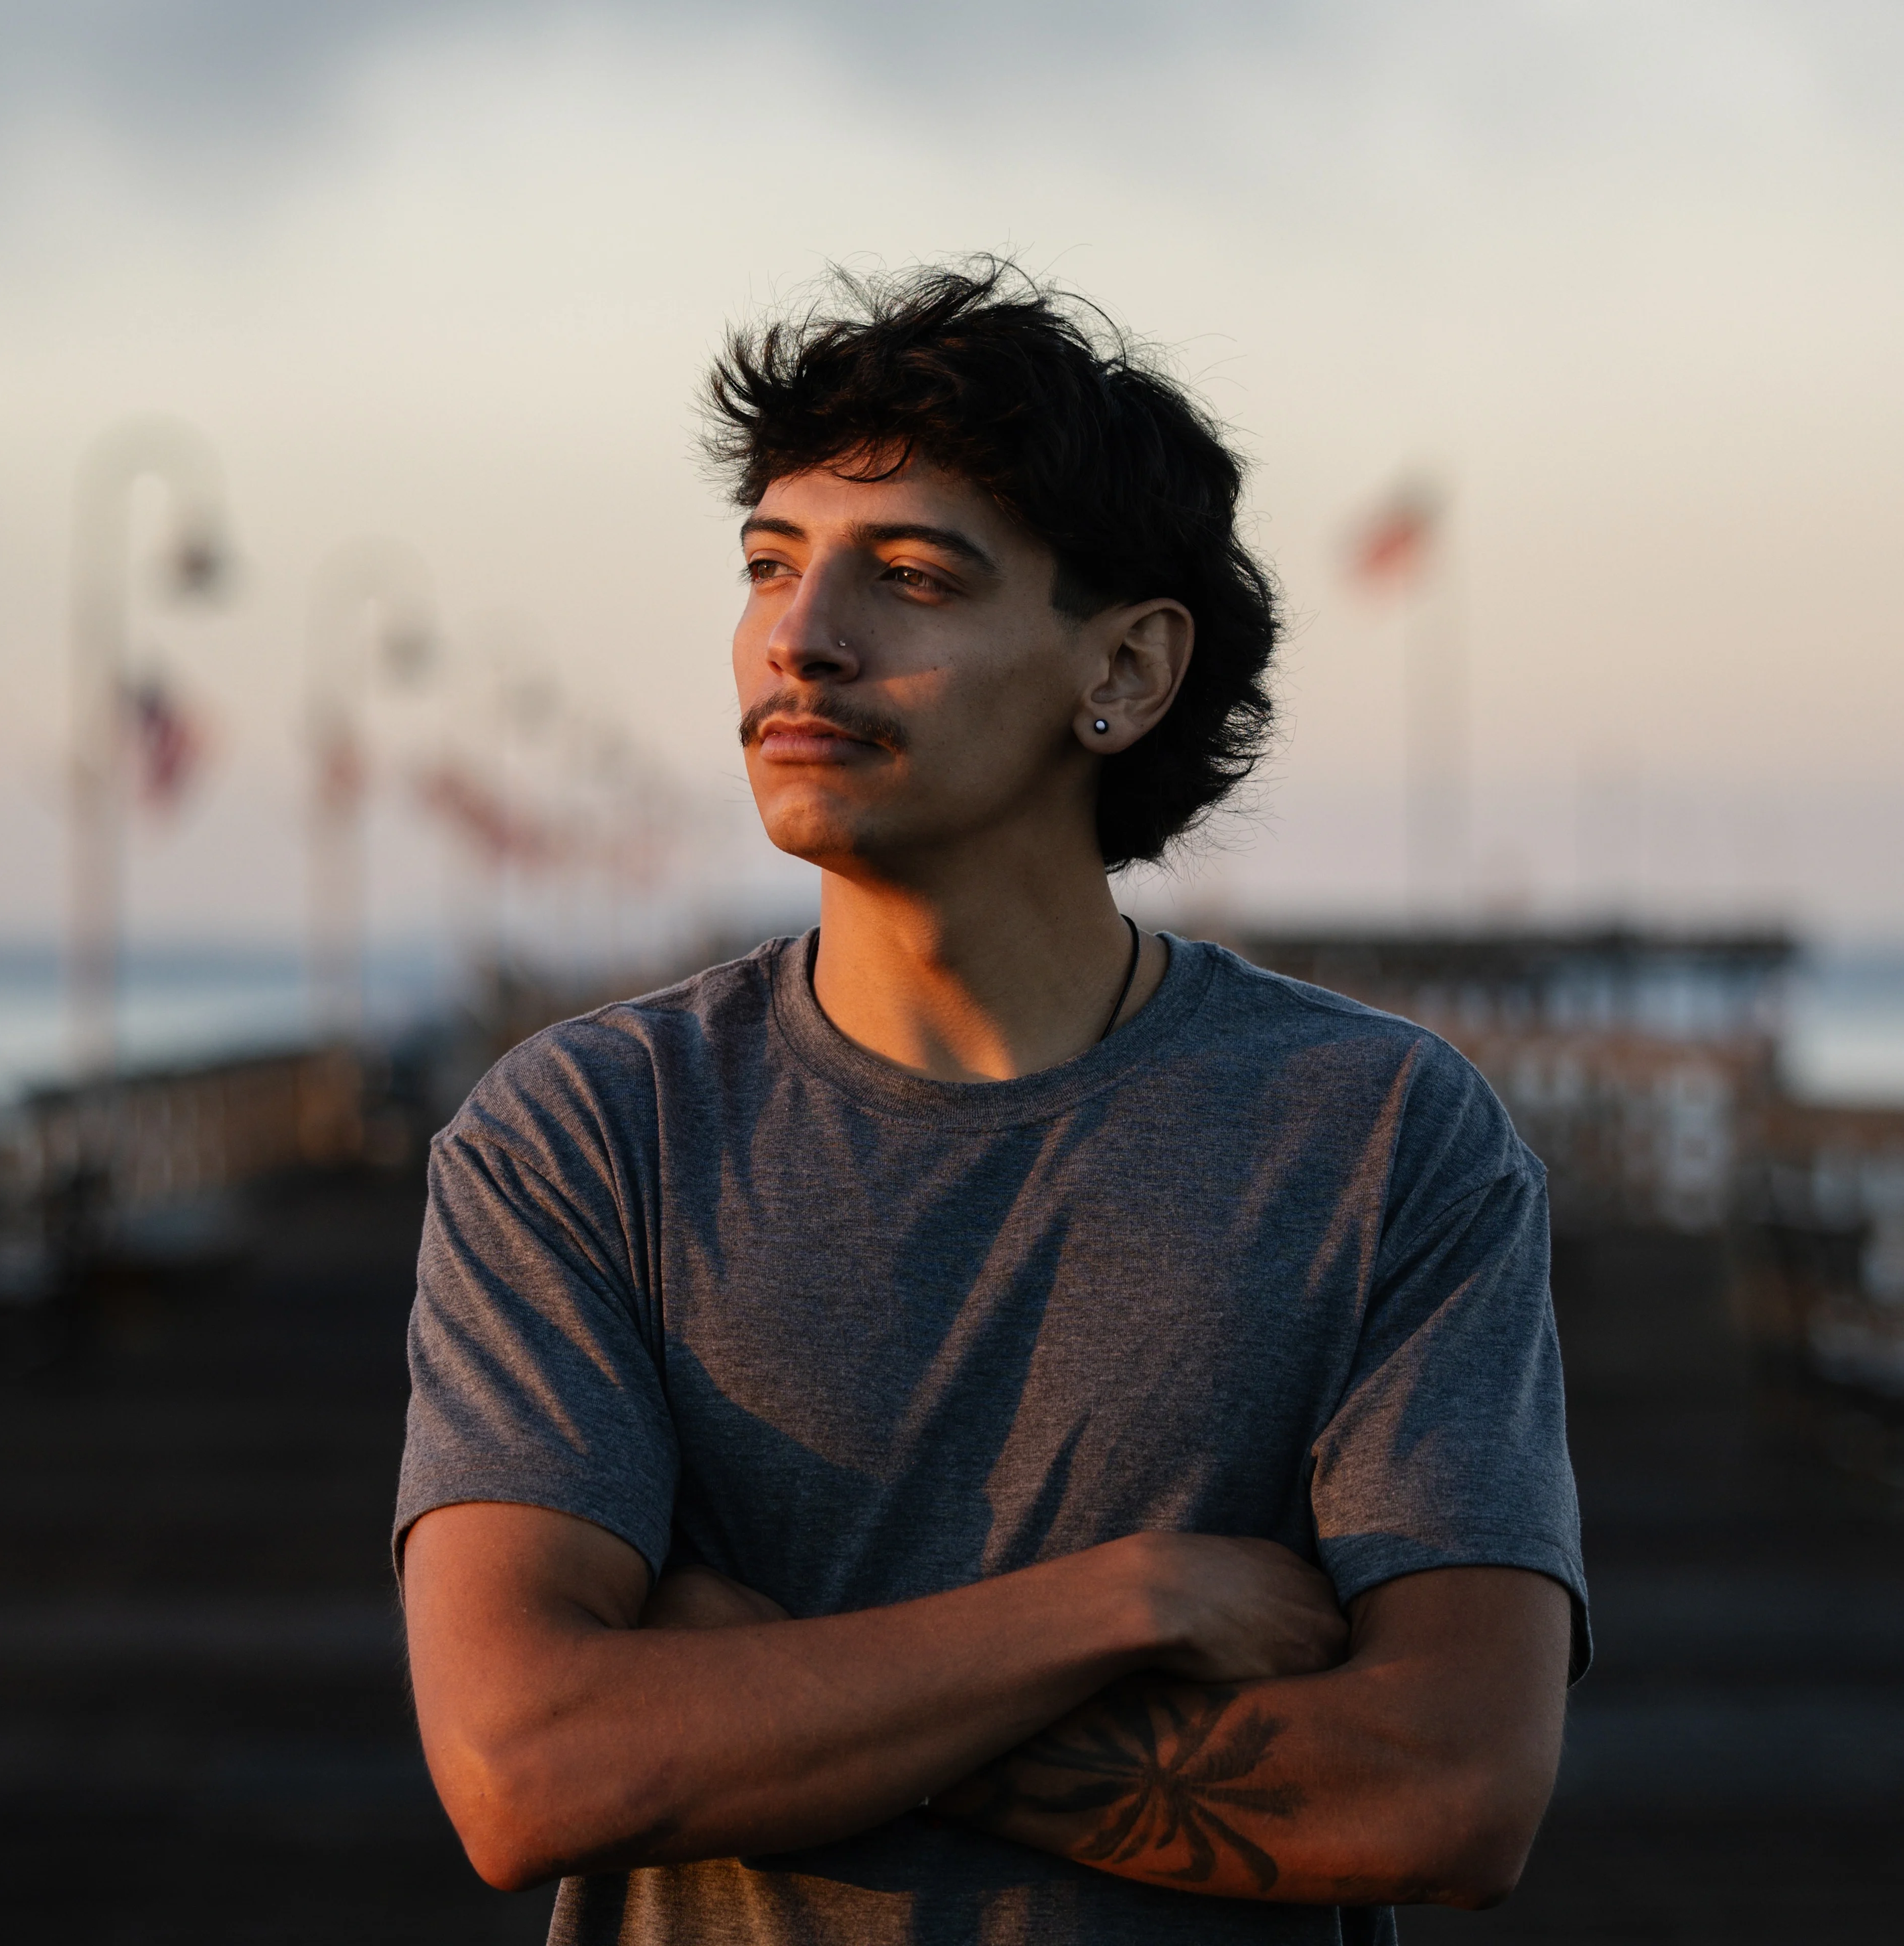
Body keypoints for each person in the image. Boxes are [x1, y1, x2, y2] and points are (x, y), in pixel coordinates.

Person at [396, 260, 1587, 1946]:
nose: (802, 638)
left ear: (1127, 671)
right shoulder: (588, 1135)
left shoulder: (1382, 1138)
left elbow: (1449, 1788)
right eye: (769, 566)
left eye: (909, 577)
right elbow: (530, 1766)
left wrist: (750, 1696)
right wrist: (1121, 1601)